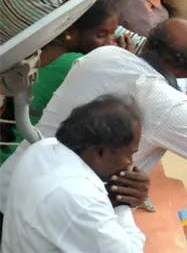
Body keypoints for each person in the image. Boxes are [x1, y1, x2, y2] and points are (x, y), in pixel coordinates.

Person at [0, 18, 187, 217]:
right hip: (55, 212)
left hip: (15, 181)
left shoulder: (104, 55)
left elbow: (146, 90)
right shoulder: (163, 102)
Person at [0, 95, 147, 252]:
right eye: (130, 154)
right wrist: (123, 203)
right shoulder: (80, 199)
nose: (130, 163)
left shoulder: (43, 148)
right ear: (100, 152)